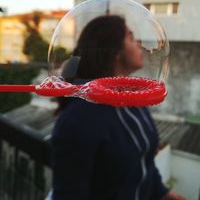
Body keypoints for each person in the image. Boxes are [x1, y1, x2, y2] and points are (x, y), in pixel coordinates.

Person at [50, 15, 187, 200]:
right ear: (114, 51)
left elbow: (143, 161)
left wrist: (164, 193)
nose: (138, 42)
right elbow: (69, 194)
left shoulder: (133, 99)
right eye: (130, 37)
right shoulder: (77, 120)